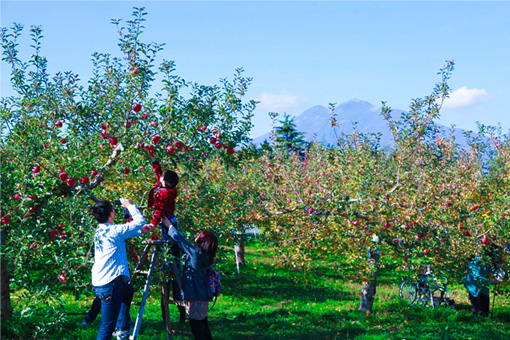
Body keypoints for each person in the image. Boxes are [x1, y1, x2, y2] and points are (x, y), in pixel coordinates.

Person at [91, 199, 150, 340]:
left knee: (128, 291)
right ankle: (120, 328)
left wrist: (140, 231)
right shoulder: (114, 231)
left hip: (100, 283)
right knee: (106, 328)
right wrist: (130, 206)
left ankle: (122, 328)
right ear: (111, 213)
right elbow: (140, 221)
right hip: (110, 287)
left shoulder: (100, 231)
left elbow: (122, 233)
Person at [144, 154, 186, 323]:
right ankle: (173, 314)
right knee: (172, 260)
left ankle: (175, 312)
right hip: (171, 222)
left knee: (170, 264)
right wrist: (154, 161)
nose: (159, 177)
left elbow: (159, 211)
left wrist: (152, 225)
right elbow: (159, 175)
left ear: (166, 182)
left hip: (166, 225)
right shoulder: (167, 189)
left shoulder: (163, 194)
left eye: (162, 178)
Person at [163, 216, 218, 340]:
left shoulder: (196, 254)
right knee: (203, 327)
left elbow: (182, 241)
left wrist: (169, 226)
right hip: (203, 298)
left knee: (197, 331)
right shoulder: (207, 256)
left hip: (195, 299)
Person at [464, 243, 505, 317]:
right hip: (474, 286)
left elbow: (495, 270)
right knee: (476, 307)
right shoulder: (477, 262)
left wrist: (501, 270)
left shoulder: (489, 262)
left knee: (485, 307)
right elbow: (477, 278)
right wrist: (491, 281)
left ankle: (484, 319)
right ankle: (475, 322)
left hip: (484, 287)